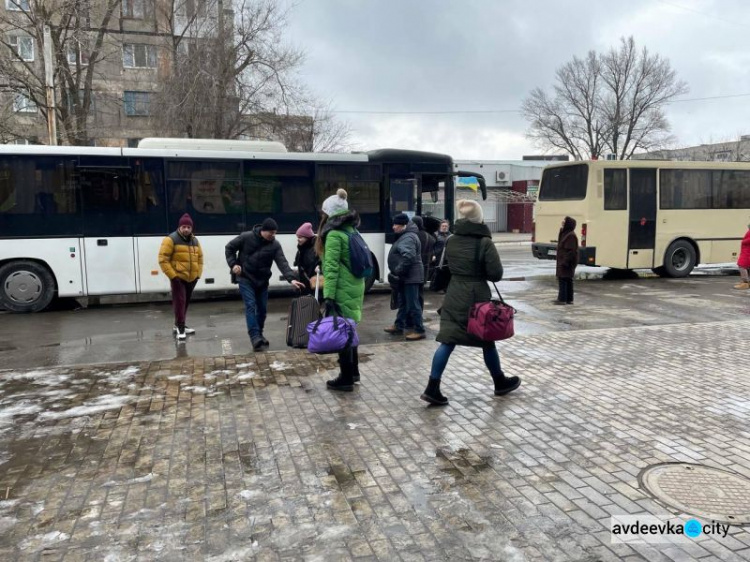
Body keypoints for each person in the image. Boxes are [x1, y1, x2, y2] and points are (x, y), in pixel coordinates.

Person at [420, 200, 520, 406]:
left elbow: (447, 266)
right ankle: (499, 381)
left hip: (454, 294)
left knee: (447, 340)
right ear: (478, 218)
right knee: (486, 339)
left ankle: (432, 386)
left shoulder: (451, 240)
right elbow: (496, 274)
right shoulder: (484, 243)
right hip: (476, 297)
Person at [225, 218, 305, 351]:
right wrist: (234, 264)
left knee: (262, 310)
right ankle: (255, 336)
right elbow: (229, 248)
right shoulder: (246, 237)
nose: (273, 235)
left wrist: (291, 279)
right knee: (250, 306)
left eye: (275, 233)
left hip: (262, 281)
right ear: (263, 231)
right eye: (271, 233)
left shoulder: (275, 245)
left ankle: (260, 334)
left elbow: (282, 263)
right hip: (245, 278)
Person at [315, 189, 365, 391]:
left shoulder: (334, 234)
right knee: (349, 328)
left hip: (342, 287)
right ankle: (353, 372)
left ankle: (345, 377)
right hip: (354, 284)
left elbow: (333, 270)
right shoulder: (351, 230)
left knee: (341, 331)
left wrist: (328, 296)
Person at [158, 213, 204, 341]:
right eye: (184, 226)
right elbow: (163, 259)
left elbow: (200, 258)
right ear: (179, 227)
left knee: (185, 302)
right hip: (178, 278)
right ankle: (181, 328)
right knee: (180, 302)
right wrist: (173, 276)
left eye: (188, 227)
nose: (186, 229)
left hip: (192, 278)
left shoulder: (195, 241)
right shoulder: (170, 239)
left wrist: (198, 275)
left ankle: (177, 324)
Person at [384, 213, 425, 341]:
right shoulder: (406, 235)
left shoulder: (408, 238)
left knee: (413, 303)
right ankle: (399, 325)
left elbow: (409, 257)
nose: (393, 227)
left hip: (410, 277)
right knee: (404, 302)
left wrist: (398, 271)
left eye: (396, 225)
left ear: (403, 226)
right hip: (408, 276)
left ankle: (419, 330)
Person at [555, 216, 579, 305]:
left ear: (568, 224)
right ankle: (569, 299)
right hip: (565, 261)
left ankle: (562, 300)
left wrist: (565, 262)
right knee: (567, 279)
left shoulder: (570, 235)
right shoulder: (566, 233)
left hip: (566, 262)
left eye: (564, 222)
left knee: (563, 279)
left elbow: (571, 251)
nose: (562, 222)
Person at [293, 222, 320, 293]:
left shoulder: (316, 250)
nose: (298, 239)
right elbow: (296, 264)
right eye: (297, 237)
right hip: (304, 286)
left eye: (300, 237)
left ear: (307, 238)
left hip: (314, 287)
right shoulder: (300, 250)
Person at [734, 224, 750, 289]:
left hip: (747, 252)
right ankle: (746, 282)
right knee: (744, 266)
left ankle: (745, 283)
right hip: (746, 251)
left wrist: (744, 241)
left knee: (742, 266)